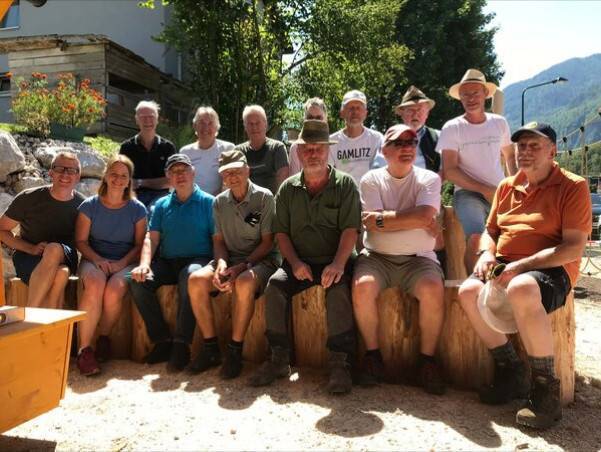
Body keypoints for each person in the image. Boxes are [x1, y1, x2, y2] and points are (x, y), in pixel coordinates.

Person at [457, 123, 591, 429]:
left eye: (534, 146)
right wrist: (486, 253)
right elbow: (491, 232)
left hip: (552, 269)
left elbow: (573, 248)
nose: (525, 152)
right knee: (467, 292)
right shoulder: (507, 186)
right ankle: (511, 370)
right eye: (521, 146)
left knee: (520, 287)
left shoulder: (572, 186)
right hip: (506, 263)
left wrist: (520, 267)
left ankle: (545, 391)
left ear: (552, 151)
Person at [249, 120, 360, 394]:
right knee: (274, 286)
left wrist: (338, 264)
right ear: (298, 152)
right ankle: (278, 358)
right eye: (307, 148)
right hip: (299, 261)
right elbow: (282, 234)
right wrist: (296, 263)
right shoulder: (287, 189)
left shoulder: (345, 185)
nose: (313, 154)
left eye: (318, 148)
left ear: (328, 151)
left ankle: (341, 363)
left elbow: (350, 230)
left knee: (338, 289)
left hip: (335, 259)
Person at [352, 124, 446, 395]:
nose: (407, 148)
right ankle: (373, 356)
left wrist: (383, 219)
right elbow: (375, 223)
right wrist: (416, 219)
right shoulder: (371, 179)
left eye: (412, 142)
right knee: (362, 287)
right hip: (376, 258)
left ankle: (427, 361)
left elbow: (423, 216)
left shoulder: (429, 179)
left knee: (433, 289)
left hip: (419, 259)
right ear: (384, 150)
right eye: (399, 143)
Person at [187, 150, 279, 379]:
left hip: (261, 260)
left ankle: (235, 351)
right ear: (222, 177)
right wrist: (221, 264)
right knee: (196, 280)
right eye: (227, 173)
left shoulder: (264, 197)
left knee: (244, 283)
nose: (232, 177)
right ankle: (210, 348)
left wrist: (242, 267)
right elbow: (218, 241)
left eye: (237, 171)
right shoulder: (219, 202)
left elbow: (268, 243)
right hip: (230, 260)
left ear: (247, 170)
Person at [128, 154, 214, 372]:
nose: (179, 175)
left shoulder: (209, 202)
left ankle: (181, 344)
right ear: (168, 177)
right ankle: (162, 341)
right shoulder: (161, 205)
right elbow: (151, 239)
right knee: (137, 281)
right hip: (167, 262)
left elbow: (218, 240)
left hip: (199, 260)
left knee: (190, 276)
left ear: (193, 172)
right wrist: (144, 264)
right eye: (174, 171)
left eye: (184, 169)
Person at [437, 69, 517, 272]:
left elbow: (510, 155)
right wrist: (485, 189)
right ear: (460, 98)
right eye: (466, 94)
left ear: (485, 94)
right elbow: (450, 170)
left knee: (512, 238)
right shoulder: (452, 127)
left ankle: (504, 282)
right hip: (467, 194)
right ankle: (476, 284)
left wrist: (517, 187)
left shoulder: (499, 123)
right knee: (476, 239)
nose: (471, 98)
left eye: (475, 93)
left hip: (500, 192)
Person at [74, 155, 147, 376]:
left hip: (126, 261)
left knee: (115, 289)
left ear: (129, 181)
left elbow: (140, 245)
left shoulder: (137, 209)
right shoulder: (89, 206)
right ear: (105, 176)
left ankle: (103, 337)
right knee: (95, 284)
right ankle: (85, 351)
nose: (118, 179)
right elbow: (80, 241)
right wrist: (98, 260)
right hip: (93, 258)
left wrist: (121, 263)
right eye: (113, 174)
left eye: (123, 175)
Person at [0, 151, 84, 308]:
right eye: (59, 168)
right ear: (51, 172)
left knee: (53, 249)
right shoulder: (29, 198)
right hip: (28, 258)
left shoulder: (83, 206)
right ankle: (49, 321)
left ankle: (31, 313)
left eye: (71, 170)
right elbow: (2, 230)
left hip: (65, 256)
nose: (65, 174)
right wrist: (30, 248)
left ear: (78, 176)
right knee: (61, 273)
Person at [119, 100, 176, 209]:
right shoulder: (127, 147)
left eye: (151, 116)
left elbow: (171, 181)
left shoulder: (167, 147)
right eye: (143, 117)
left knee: (153, 210)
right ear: (136, 120)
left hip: (161, 197)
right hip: (133, 195)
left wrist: (140, 182)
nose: (147, 120)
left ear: (157, 119)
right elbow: (122, 178)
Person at [329, 89, 385, 184]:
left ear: (365, 113)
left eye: (359, 108)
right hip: (343, 192)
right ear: (342, 113)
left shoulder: (377, 139)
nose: (355, 112)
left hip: (370, 190)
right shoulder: (332, 142)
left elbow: (382, 170)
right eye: (350, 108)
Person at [180, 106, 235, 195]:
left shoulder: (227, 148)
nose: (205, 127)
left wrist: (217, 199)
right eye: (202, 122)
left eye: (210, 123)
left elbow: (231, 179)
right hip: (192, 198)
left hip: (220, 199)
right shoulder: (185, 152)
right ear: (195, 126)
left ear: (216, 127)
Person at [235, 105, 289, 194]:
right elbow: (233, 180)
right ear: (245, 127)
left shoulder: (277, 148)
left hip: (272, 200)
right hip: (244, 200)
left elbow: (283, 181)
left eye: (257, 123)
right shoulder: (238, 152)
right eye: (250, 124)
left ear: (265, 124)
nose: (254, 127)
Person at [395, 85, 440, 173]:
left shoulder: (438, 137)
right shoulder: (390, 139)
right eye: (410, 110)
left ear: (427, 114)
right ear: (402, 114)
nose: (415, 114)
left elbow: (446, 169)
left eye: (420, 110)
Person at [289, 97, 328, 175]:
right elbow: (294, 180)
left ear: (325, 119)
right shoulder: (295, 148)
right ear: (304, 120)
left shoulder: (335, 146)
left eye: (318, 118)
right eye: (310, 117)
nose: (314, 121)